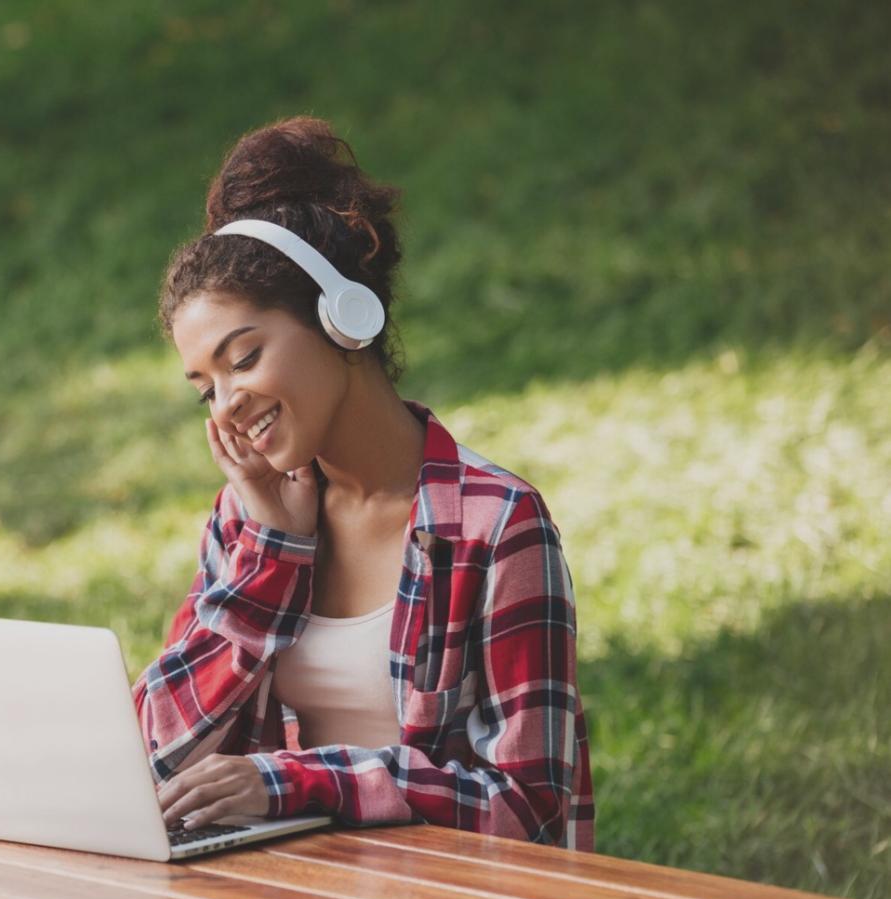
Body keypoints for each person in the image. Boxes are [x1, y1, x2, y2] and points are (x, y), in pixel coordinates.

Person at [132, 116, 595, 852]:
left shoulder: (494, 523)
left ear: (341, 321)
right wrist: (271, 555)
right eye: (204, 388)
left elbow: (526, 804)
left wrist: (298, 779)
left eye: (243, 359)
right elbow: (153, 751)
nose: (226, 405)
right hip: (279, 897)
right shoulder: (245, 520)